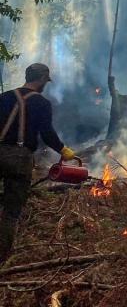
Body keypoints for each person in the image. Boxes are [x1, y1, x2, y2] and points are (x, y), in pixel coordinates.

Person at [0, 63, 75, 264]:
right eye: (45, 81)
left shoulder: (5, 97)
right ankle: (2, 258)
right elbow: (47, 133)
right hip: (19, 157)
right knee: (11, 210)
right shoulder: (41, 103)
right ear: (42, 79)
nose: (45, 85)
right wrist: (63, 150)